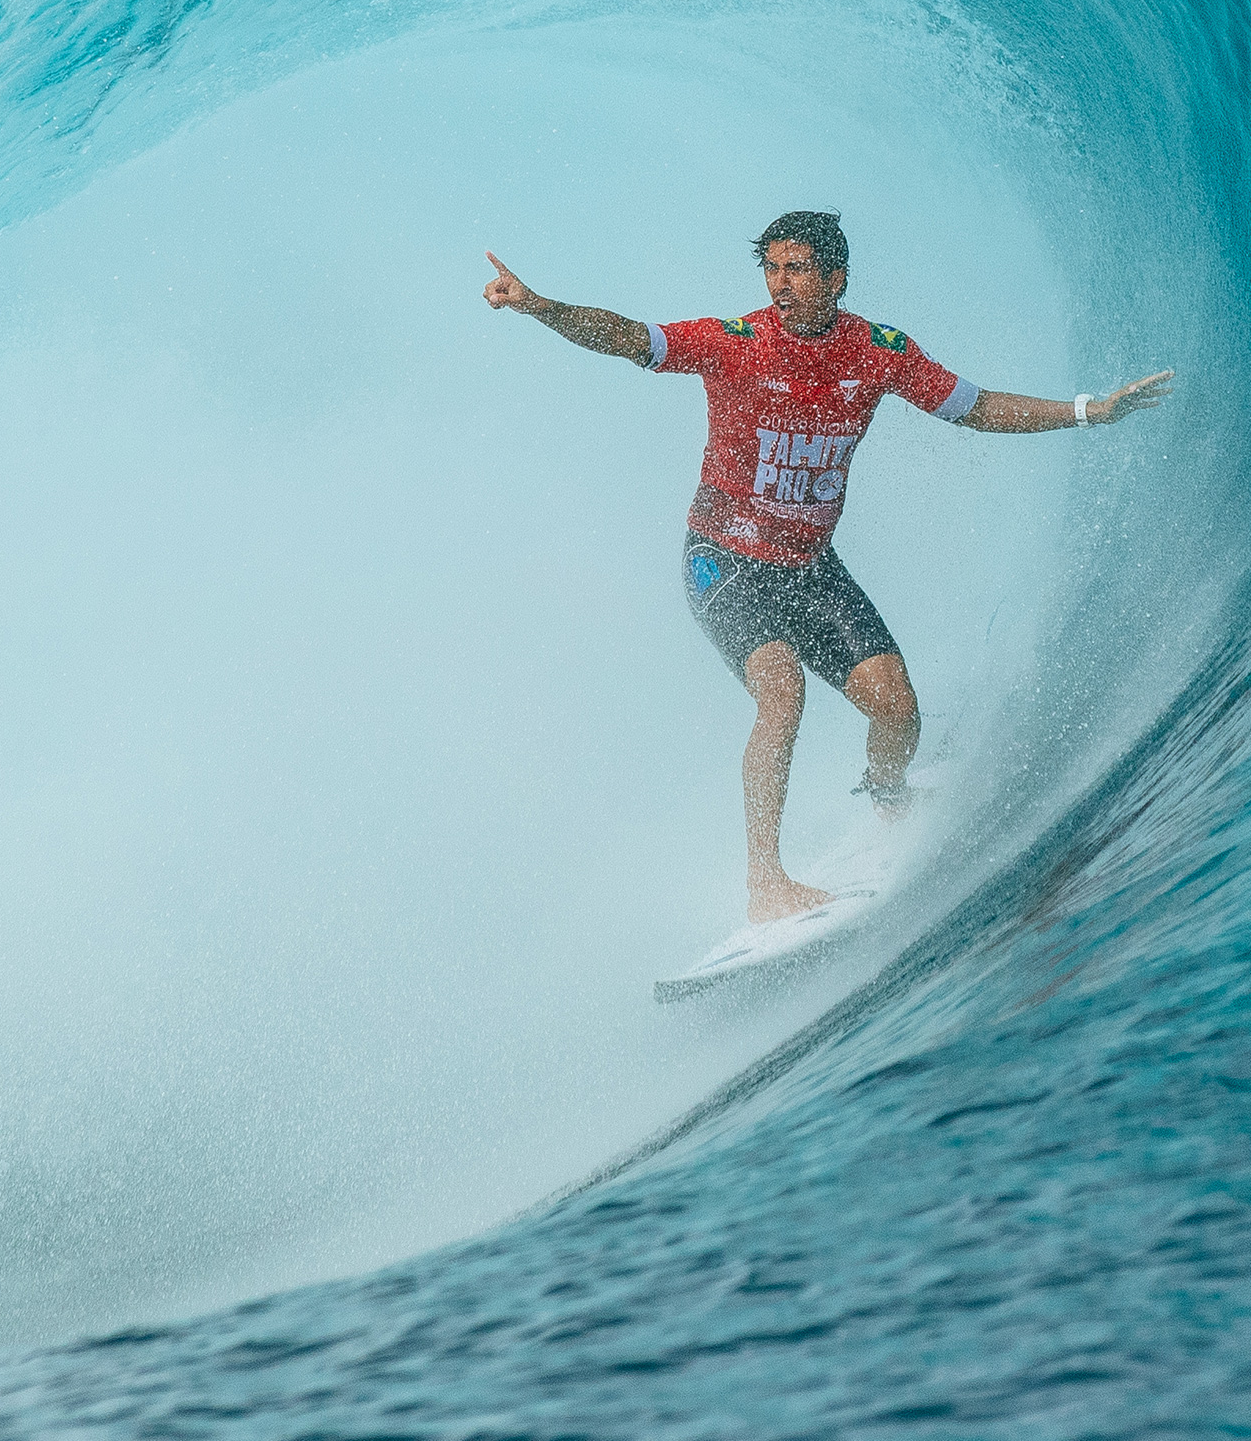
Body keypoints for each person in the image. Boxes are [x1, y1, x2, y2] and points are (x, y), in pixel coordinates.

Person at [482, 211, 1172, 923]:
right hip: (723, 562)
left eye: (798, 269)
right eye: (772, 269)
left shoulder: (879, 352)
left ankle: (888, 799)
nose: (781, 285)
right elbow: (631, 338)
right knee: (780, 693)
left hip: (809, 565)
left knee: (897, 708)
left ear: (836, 278)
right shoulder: (734, 343)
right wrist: (538, 307)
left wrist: (1091, 411)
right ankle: (764, 886)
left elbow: (978, 407)